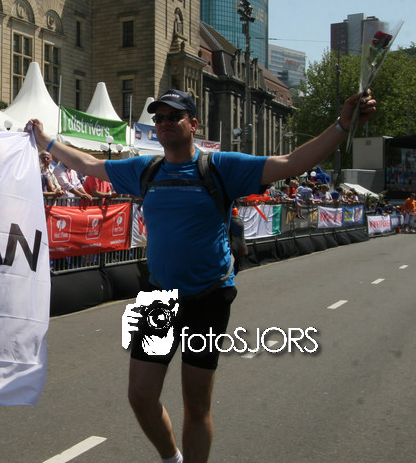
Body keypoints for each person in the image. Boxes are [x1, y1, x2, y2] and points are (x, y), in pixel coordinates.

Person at [26, 87, 377, 463]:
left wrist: (342, 126)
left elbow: (291, 163)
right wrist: (45, 140)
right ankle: (171, 458)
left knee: (195, 403)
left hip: (208, 298)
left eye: (174, 116)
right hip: (159, 297)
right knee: (140, 396)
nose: (164, 123)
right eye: (159, 118)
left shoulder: (221, 166)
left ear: (193, 124)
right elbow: (87, 164)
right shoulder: (145, 169)